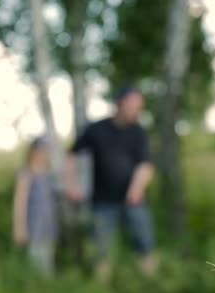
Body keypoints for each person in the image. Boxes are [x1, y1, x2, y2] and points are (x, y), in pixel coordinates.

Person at [65, 87, 157, 282]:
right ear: (119, 104)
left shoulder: (138, 132)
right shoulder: (96, 129)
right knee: (101, 248)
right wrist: (71, 185)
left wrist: (137, 188)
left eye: (139, 107)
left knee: (144, 243)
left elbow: (145, 165)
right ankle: (101, 291)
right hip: (102, 202)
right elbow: (71, 155)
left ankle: (151, 286)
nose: (137, 111)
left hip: (134, 201)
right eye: (133, 106)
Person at [12, 137, 58, 276]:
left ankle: (47, 283)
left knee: (47, 255)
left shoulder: (48, 173)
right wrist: (19, 226)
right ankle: (35, 285)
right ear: (33, 151)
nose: (43, 154)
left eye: (46, 151)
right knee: (35, 255)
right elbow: (20, 202)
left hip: (47, 221)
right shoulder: (26, 173)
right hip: (33, 222)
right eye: (40, 150)